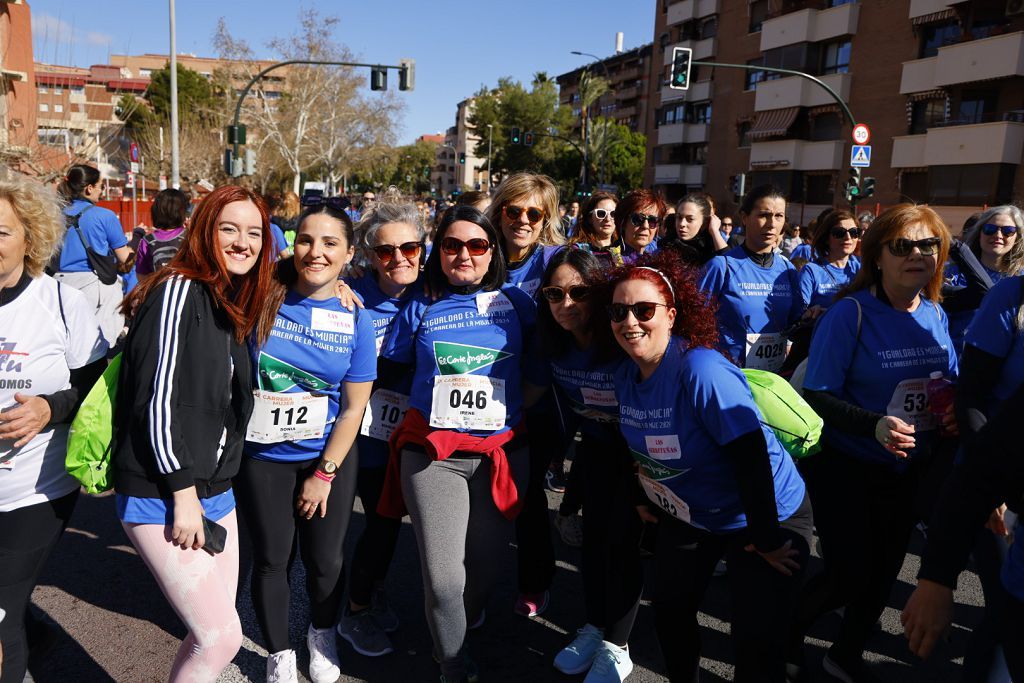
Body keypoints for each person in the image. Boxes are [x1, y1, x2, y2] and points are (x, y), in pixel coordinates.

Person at [598, 252, 811, 682]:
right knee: (671, 609)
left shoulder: (701, 368)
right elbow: (637, 444)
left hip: (766, 511)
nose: (630, 321)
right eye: (619, 311)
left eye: (644, 310)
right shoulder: (625, 374)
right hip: (694, 513)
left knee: (754, 639)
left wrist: (768, 538)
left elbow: (752, 457)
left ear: (672, 315)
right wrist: (645, 495)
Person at [113, 185, 278, 682]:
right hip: (163, 491)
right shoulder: (179, 287)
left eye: (254, 232)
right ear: (204, 230)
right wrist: (183, 495)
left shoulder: (229, 294)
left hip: (215, 490)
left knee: (214, 629)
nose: (242, 242)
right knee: (221, 636)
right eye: (229, 228)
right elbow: (155, 399)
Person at [377, 206, 545, 683]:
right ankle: (450, 661)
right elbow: (386, 365)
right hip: (434, 458)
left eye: (476, 245)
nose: (464, 255)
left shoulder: (516, 302)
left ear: (492, 251)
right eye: (452, 245)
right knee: (446, 581)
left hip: (502, 457)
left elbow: (536, 374)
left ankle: (458, 625)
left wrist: (509, 414)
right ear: (439, 252)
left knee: (485, 573)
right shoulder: (420, 304)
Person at [790, 204, 957, 681]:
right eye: (903, 246)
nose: (918, 255)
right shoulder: (850, 313)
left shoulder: (935, 314)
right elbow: (817, 395)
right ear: (877, 256)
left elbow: (949, 381)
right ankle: (783, 635)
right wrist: (873, 426)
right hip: (848, 465)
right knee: (847, 575)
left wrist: (949, 408)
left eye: (929, 245)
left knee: (884, 575)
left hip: (909, 470)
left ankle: (844, 655)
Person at [236, 199, 375, 683]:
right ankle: (278, 653)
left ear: (348, 253)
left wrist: (323, 474)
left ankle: (321, 633)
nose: (315, 251)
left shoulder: (356, 316)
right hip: (263, 456)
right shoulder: (260, 295)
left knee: (325, 560)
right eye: (306, 240)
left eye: (330, 243)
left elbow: (354, 407)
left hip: (327, 455)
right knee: (273, 559)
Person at [0, 173, 107, 683]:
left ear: (30, 237)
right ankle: (31, 630)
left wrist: (49, 407)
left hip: (34, 488)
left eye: (1, 232)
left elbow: (99, 387)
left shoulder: (62, 304)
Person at [537, 249, 644, 683]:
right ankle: (596, 625)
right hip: (595, 451)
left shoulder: (620, 339)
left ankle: (618, 646)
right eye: (554, 293)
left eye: (578, 292)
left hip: (642, 458)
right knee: (594, 544)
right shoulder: (554, 346)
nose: (566, 303)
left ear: (597, 294)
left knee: (625, 546)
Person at [338, 201, 427, 658]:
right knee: (336, 532)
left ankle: (365, 595)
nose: (399, 259)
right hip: (346, 435)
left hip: (398, 436)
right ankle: (348, 611)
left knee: (386, 526)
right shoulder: (346, 292)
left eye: (409, 247)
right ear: (369, 256)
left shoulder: (432, 293)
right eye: (386, 251)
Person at [698, 185, 803, 372]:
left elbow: (795, 322)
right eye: (764, 215)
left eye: (779, 216)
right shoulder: (721, 266)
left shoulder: (787, 270)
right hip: (727, 375)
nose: (772, 224)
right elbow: (694, 323)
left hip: (772, 379)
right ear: (745, 218)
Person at [53, 164, 132, 347]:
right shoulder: (104, 216)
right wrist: (136, 240)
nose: (101, 191)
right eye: (100, 186)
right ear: (89, 188)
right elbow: (124, 257)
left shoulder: (54, 214)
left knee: (67, 341)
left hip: (58, 284)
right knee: (96, 345)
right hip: (93, 287)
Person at [943, 205, 1024, 353]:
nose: (998, 235)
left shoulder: (1020, 281)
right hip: (955, 363)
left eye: (1008, 231)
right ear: (979, 233)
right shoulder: (951, 274)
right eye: (990, 229)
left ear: (1017, 237)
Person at [797, 209, 862, 316]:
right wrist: (810, 312)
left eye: (854, 232)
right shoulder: (811, 271)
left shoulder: (862, 269)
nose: (848, 237)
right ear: (826, 238)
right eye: (839, 232)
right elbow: (798, 314)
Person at [661, 192, 729, 266]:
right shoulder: (665, 247)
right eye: (679, 217)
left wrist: (715, 232)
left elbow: (730, 266)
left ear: (704, 222)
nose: (682, 224)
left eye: (690, 219)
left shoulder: (711, 248)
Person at [135, 188, 190, 277]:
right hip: (186, 289)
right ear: (182, 212)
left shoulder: (148, 240)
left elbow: (141, 275)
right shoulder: (189, 236)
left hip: (158, 289)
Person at [569, 191, 622, 267]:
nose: (607, 219)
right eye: (601, 213)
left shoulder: (622, 251)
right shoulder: (578, 251)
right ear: (590, 218)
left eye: (613, 214)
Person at [615, 190, 664, 262]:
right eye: (638, 219)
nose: (645, 226)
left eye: (652, 220)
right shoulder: (608, 261)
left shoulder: (660, 262)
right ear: (623, 223)